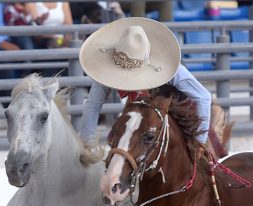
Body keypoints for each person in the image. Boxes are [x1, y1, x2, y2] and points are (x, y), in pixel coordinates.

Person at [78, 17, 227, 160]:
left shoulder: (171, 69)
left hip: (184, 116)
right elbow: (93, 105)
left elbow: (203, 97)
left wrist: (198, 141)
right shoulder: (107, 73)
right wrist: (88, 146)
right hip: (146, 116)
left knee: (202, 165)